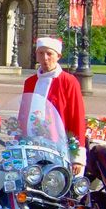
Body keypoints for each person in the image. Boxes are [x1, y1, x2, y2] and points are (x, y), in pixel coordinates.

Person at [22, 37, 86, 173]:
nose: (45, 58)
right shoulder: (30, 82)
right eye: (40, 53)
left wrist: (77, 157)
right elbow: (24, 113)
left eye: (49, 54)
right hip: (33, 144)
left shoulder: (69, 81)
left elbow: (77, 117)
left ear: (58, 56)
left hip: (59, 145)